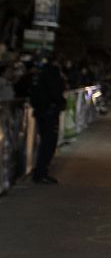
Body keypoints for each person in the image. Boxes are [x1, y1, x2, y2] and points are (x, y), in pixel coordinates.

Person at [29, 56, 65, 184]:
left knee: (45, 143)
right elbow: (55, 92)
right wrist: (60, 103)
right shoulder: (52, 73)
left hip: (41, 112)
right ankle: (41, 173)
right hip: (49, 113)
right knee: (48, 144)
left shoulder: (38, 75)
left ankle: (40, 171)